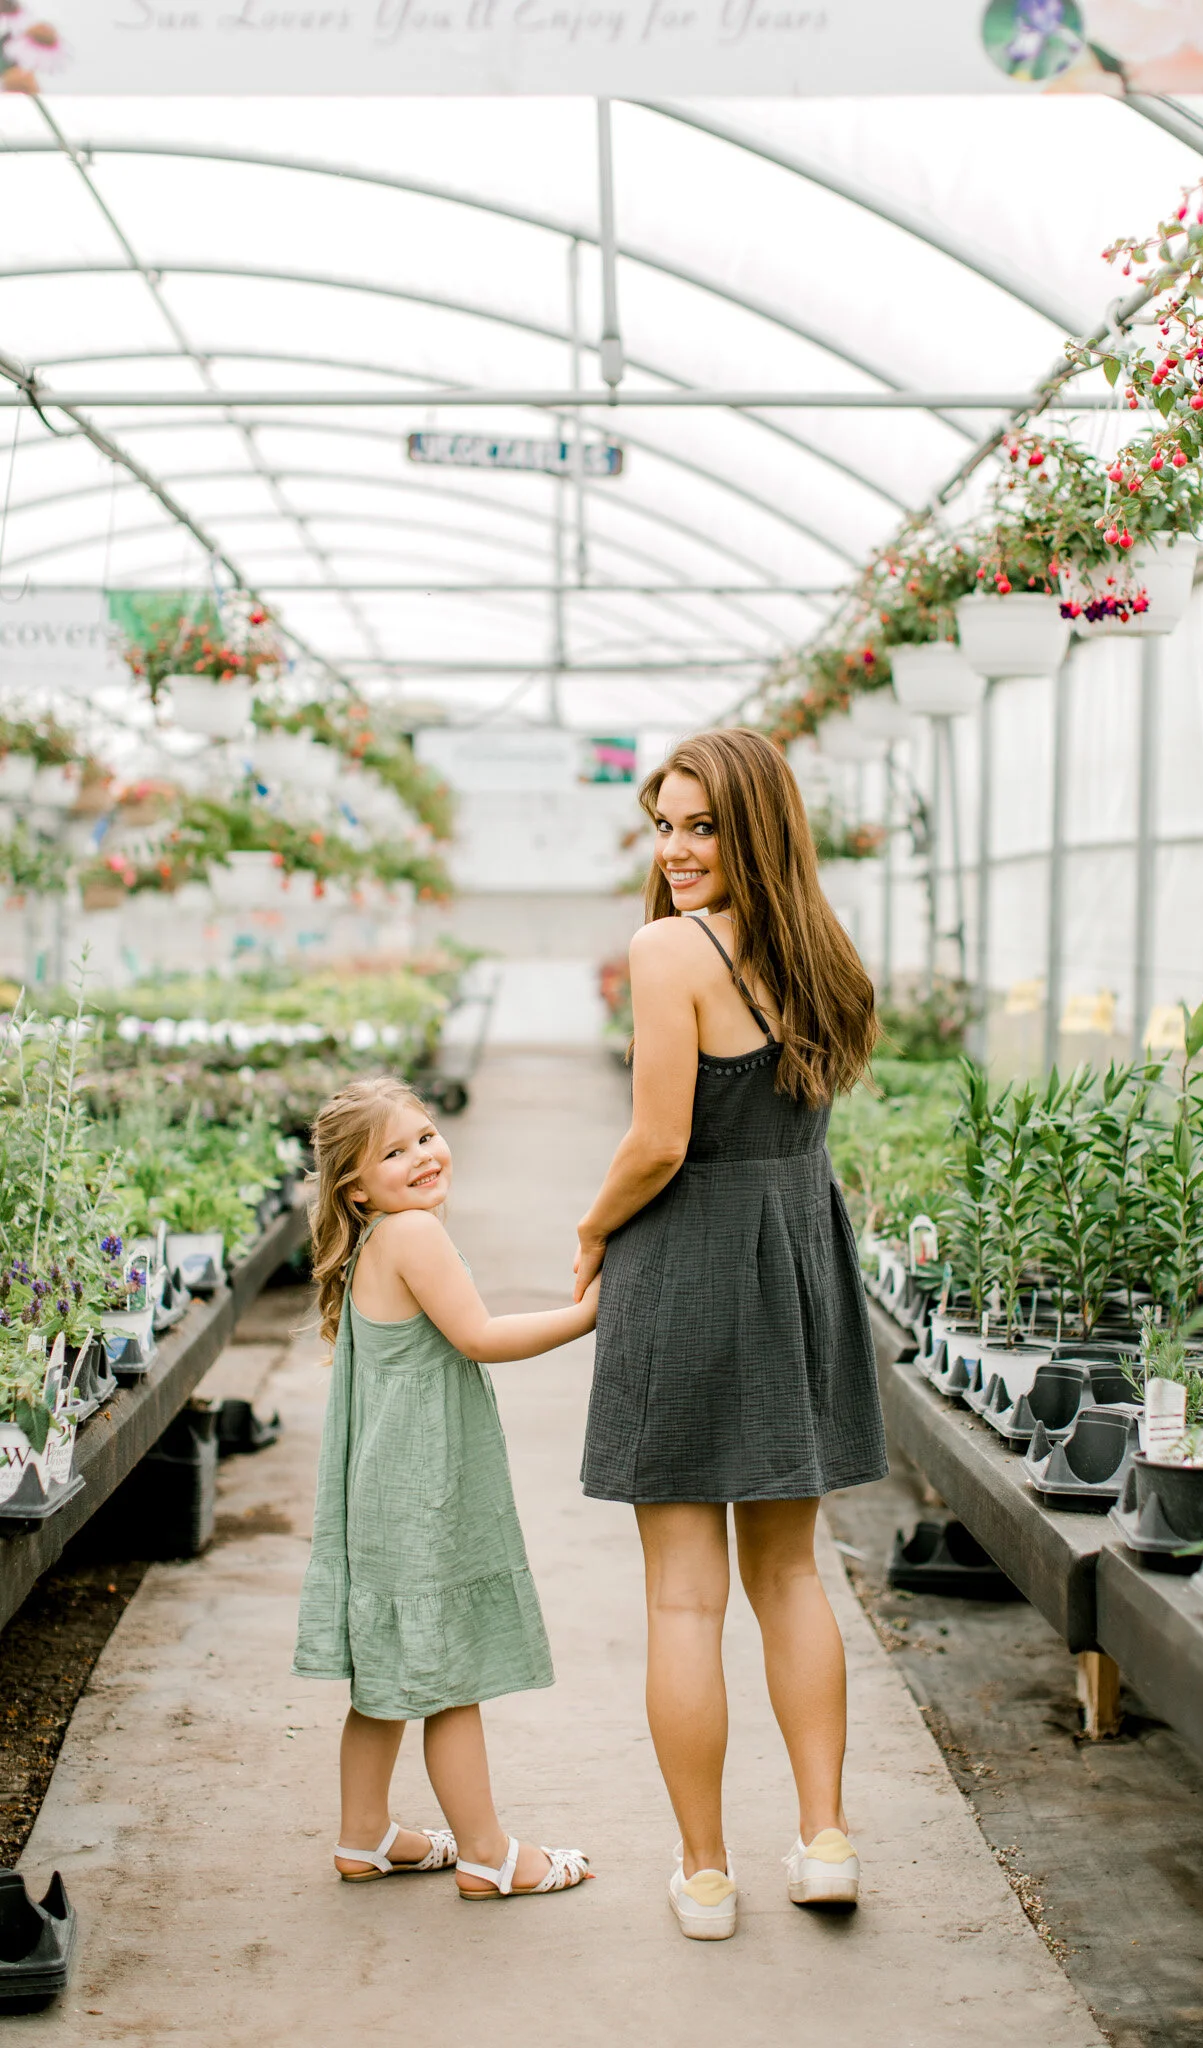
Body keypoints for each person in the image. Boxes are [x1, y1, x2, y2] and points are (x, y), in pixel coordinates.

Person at [575, 728, 886, 1941]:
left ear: (753, 825)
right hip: (798, 1254)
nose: (676, 847)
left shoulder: (668, 950)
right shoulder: (824, 952)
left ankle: (705, 1873)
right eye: (663, 824)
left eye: (700, 824)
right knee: (792, 1573)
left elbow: (659, 1140)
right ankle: (824, 1837)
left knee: (685, 1603)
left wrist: (594, 1226)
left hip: (692, 1261)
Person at [293, 1075, 597, 1902]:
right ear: (355, 1187)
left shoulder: (375, 1239)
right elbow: (480, 1336)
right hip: (424, 1494)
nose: (422, 1158)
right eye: (393, 1153)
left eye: (424, 1136)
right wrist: (590, 1314)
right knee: (449, 1676)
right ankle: (488, 1853)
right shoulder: (413, 1237)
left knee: (386, 1676)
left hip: (384, 1496)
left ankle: (366, 1836)